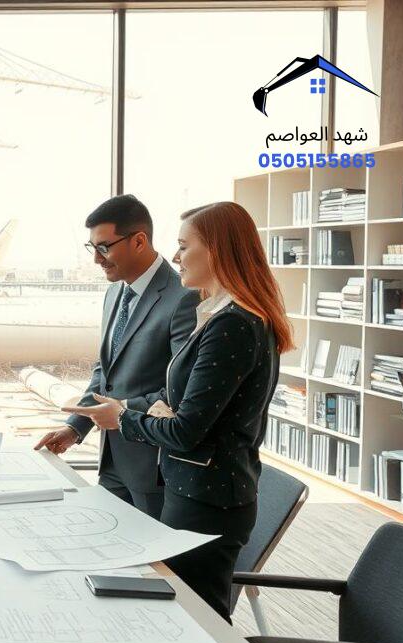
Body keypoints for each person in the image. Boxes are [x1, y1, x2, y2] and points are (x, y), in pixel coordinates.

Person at [64, 201, 291, 620]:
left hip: (205, 498)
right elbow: (188, 406)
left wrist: (124, 418)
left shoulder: (233, 324)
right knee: (178, 616)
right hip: (191, 488)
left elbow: (187, 428)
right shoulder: (220, 315)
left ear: (218, 251)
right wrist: (157, 412)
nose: (177, 256)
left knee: (196, 626)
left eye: (185, 246)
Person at [35, 194, 197, 518]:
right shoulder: (114, 293)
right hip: (111, 460)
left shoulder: (183, 297)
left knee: (156, 565)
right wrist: (75, 427)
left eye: (104, 247)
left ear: (139, 241)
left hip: (154, 468)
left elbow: (180, 391)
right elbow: (104, 373)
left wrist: (120, 412)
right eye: (91, 248)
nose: (97, 259)